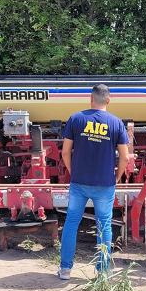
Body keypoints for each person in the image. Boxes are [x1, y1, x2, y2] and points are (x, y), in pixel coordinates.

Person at [58, 84, 130, 280]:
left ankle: (65, 269)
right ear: (108, 101)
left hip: (79, 183)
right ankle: (103, 271)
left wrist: (73, 172)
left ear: (91, 99)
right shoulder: (116, 123)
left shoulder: (76, 119)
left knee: (71, 223)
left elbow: (65, 152)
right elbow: (125, 157)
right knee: (104, 226)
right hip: (104, 184)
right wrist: (117, 177)